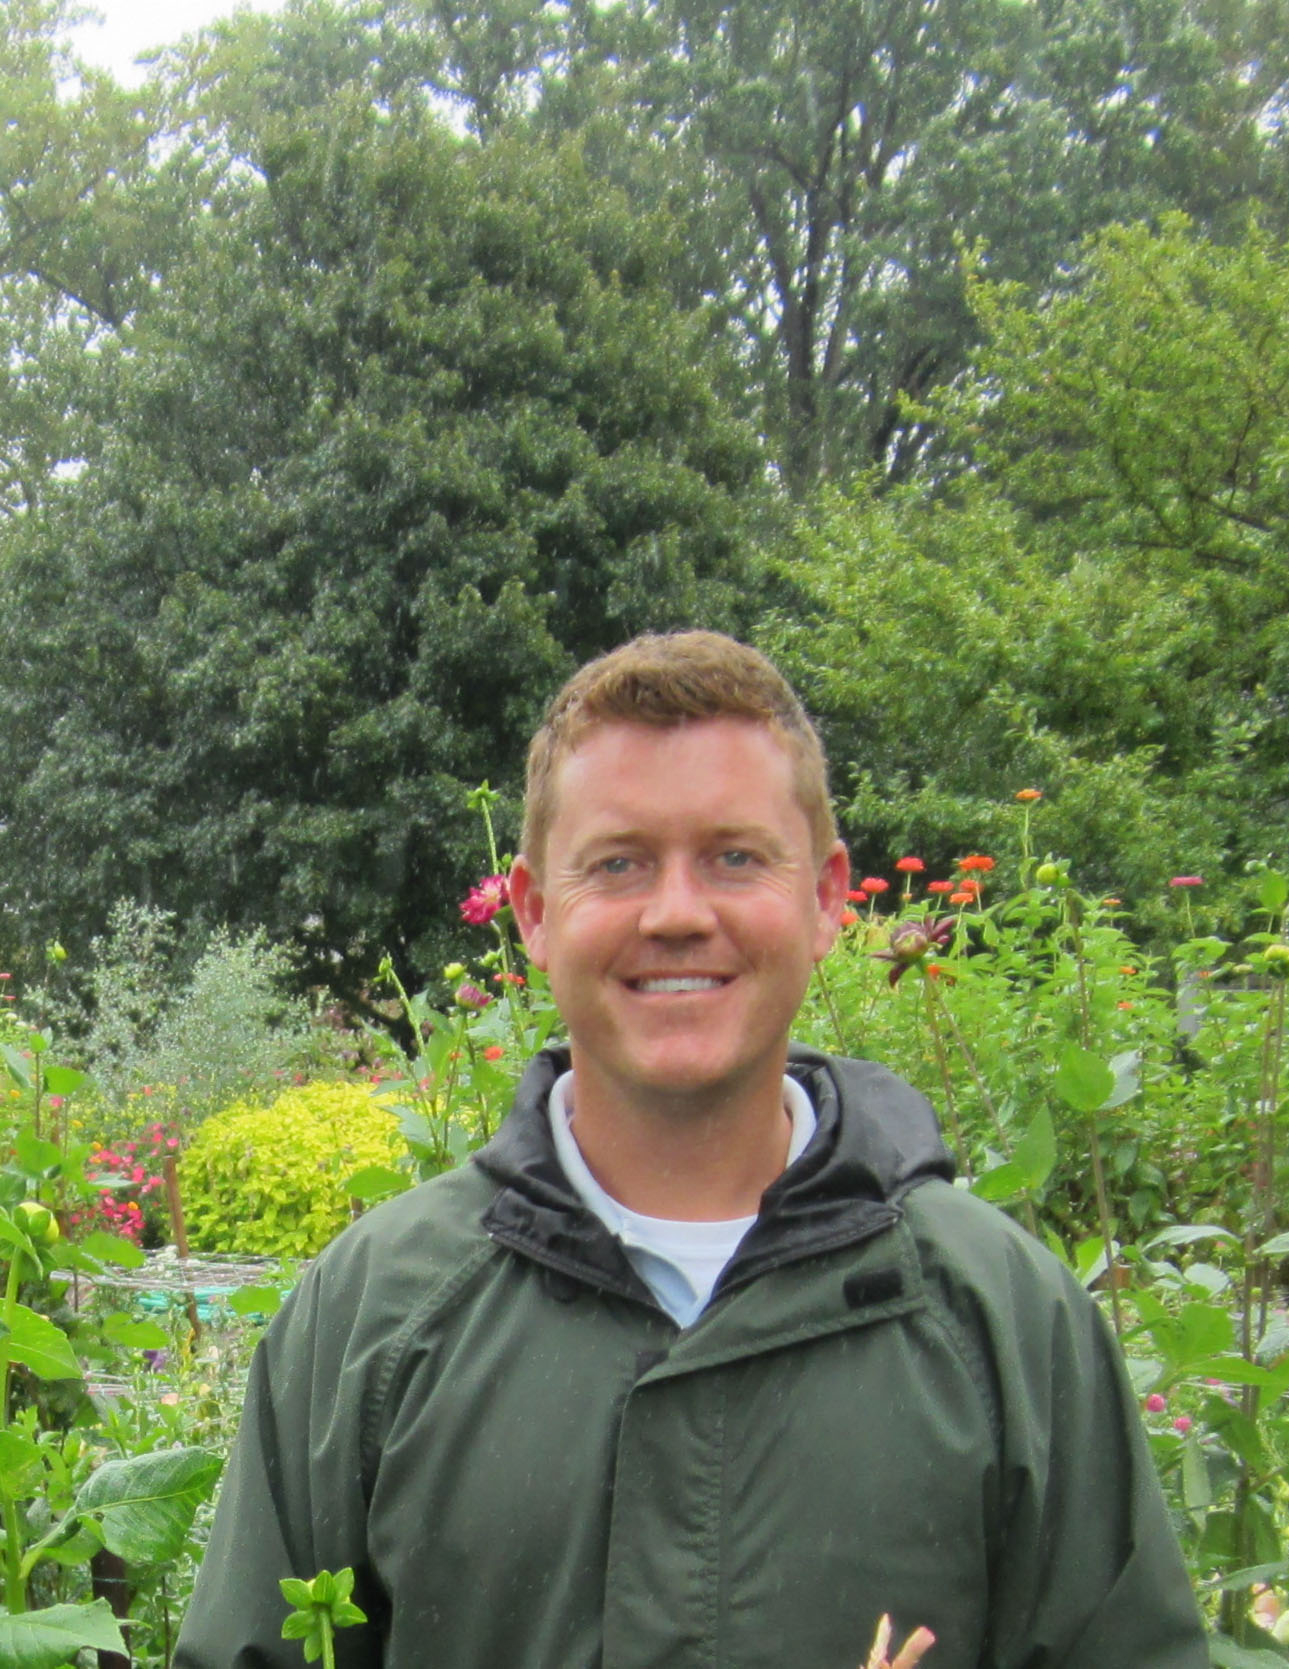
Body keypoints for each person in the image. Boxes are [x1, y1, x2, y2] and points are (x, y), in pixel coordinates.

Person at [174, 631, 1209, 1669]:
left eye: (734, 857)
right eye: (618, 863)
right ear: (534, 912)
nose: (676, 912)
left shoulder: (1004, 1325)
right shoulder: (372, 1321)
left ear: (825, 898)